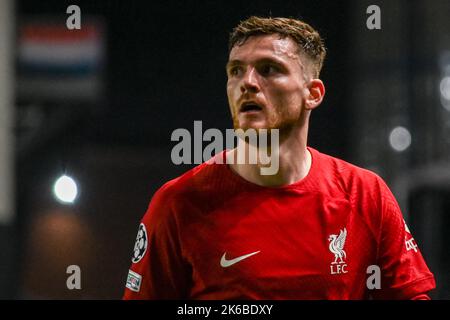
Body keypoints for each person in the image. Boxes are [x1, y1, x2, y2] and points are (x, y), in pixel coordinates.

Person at [123, 16, 435, 299]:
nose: (247, 82)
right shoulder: (178, 203)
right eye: (236, 71)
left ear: (312, 93)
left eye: (268, 69)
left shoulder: (365, 195)